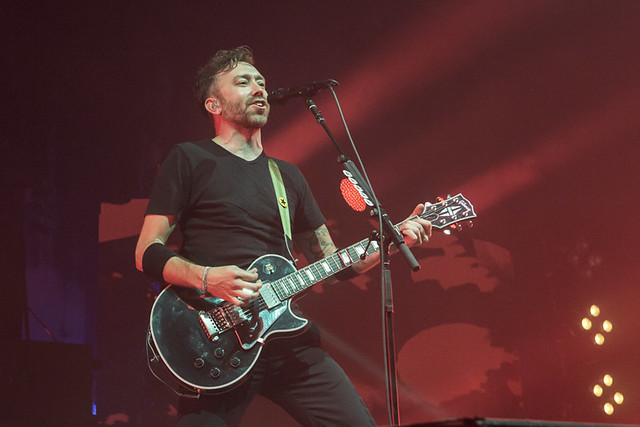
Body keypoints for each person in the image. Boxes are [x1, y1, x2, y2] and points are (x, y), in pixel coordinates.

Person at [135, 46, 432, 426]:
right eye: (243, 82)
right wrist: (208, 278)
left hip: (287, 339)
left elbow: (334, 264)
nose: (258, 88)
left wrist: (392, 241)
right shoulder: (189, 159)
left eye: (260, 81)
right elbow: (147, 251)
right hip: (213, 339)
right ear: (214, 104)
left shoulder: (287, 176)